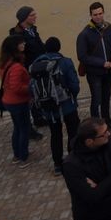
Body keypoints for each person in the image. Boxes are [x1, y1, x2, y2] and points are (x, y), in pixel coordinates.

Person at [30, 37, 81, 175]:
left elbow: (32, 86)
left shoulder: (36, 63)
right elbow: (74, 84)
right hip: (67, 104)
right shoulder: (65, 62)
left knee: (55, 134)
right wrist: (73, 97)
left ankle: (58, 164)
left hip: (49, 107)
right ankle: (73, 159)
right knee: (73, 132)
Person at [76, 2, 111, 130]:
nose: (98, 17)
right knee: (96, 99)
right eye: (95, 14)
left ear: (103, 13)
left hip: (107, 71)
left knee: (106, 97)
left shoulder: (108, 27)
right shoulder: (85, 34)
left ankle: (107, 121)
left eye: (100, 13)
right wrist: (102, 63)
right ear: (90, 15)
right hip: (94, 72)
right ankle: (95, 126)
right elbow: (82, 56)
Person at [0, 35, 34, 167]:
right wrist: (31, 87)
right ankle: (22, 156)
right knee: (23, 129)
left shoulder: (5, 62)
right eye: (21, 43)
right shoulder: (16, 67)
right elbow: (17, 87)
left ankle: (17, 154)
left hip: (9, 101)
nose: (23, 44)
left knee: (18, 128)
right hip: (18, 102)